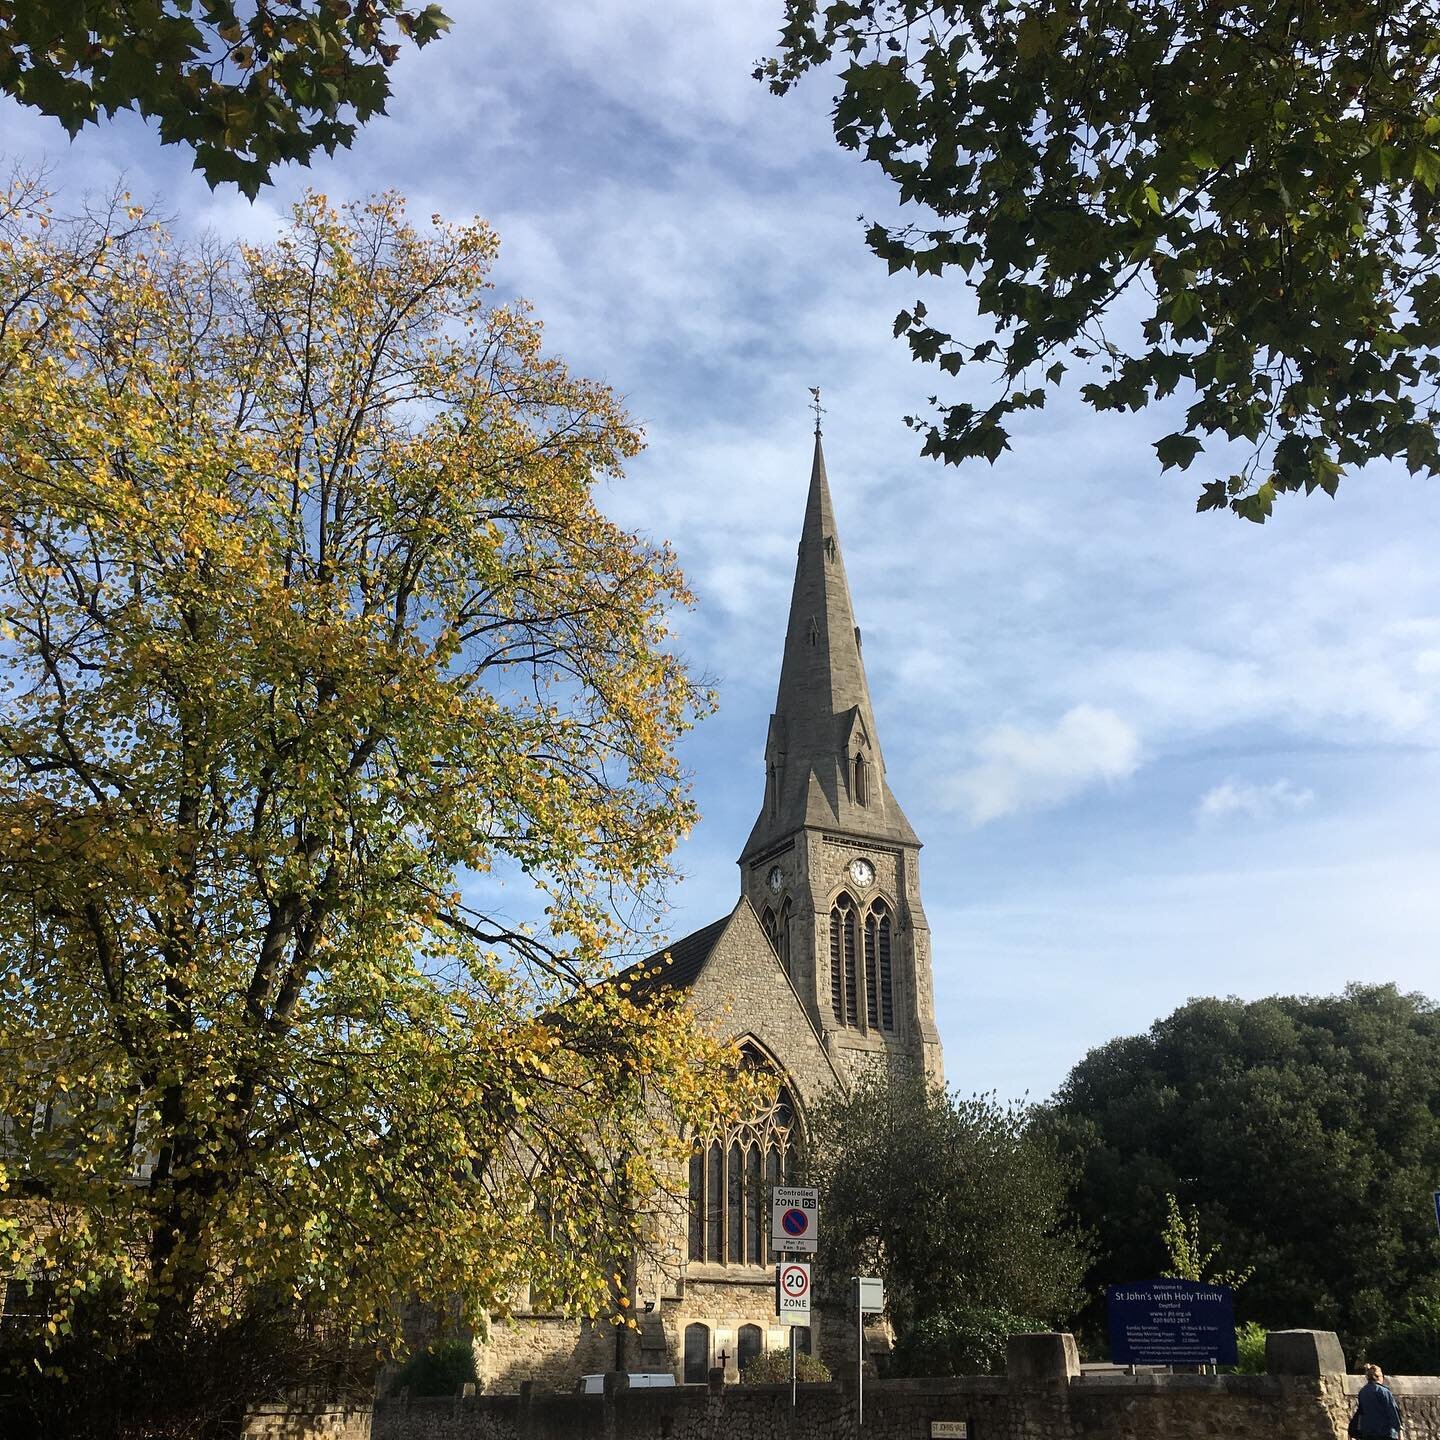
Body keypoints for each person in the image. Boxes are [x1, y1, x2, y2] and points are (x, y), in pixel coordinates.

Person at [1352, 1362, 1403, 1439]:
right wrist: (1399, 1430)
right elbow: (1392, 1411)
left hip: (1368, 1433)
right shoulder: (1384, 1391)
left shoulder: (1362, 1392)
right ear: (1379, 1377)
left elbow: (1361, 1413)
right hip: (1385, 1433)